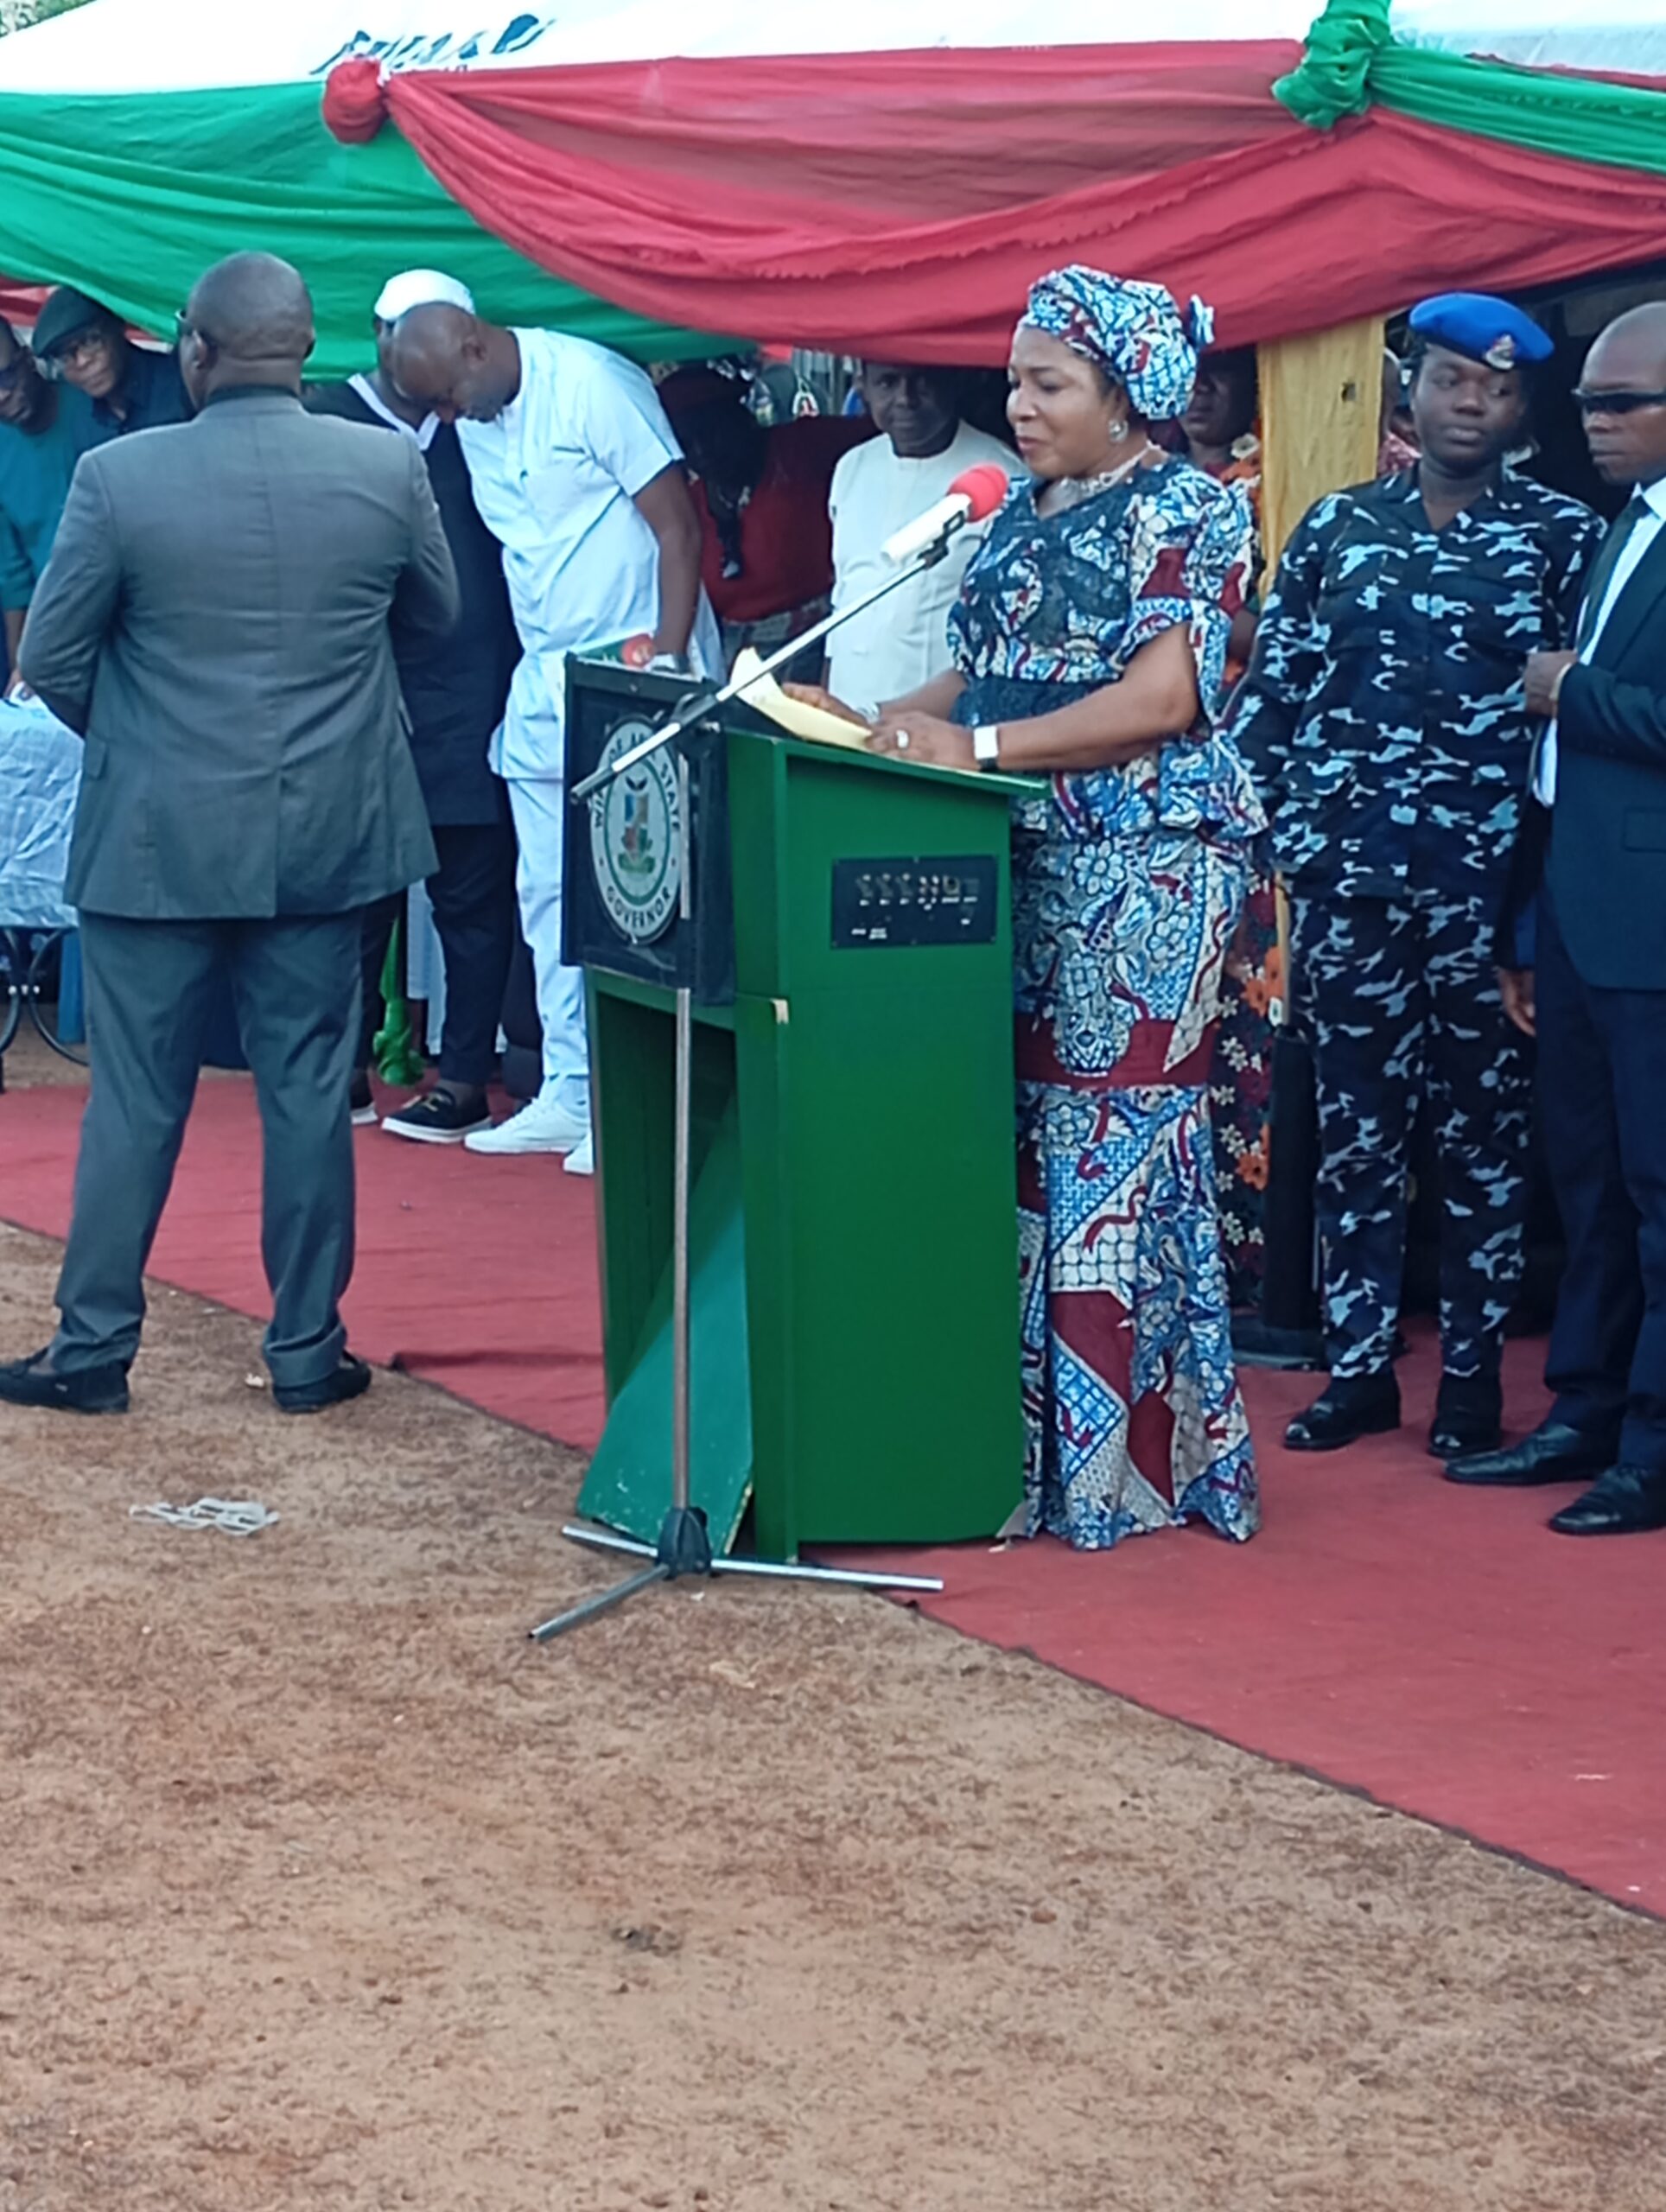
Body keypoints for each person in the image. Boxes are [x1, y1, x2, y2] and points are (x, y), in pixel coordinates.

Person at [0, 252, 458, 1419]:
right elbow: (434, 619)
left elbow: (51, 657)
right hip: (325, 834)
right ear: (305, 348)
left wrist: (141, 739)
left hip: (155, 838)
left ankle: (93, 1348)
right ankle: (306, 1352)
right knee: (308, 1093)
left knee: (135, 1099)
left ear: (194, 351)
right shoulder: (384, 467)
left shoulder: (119, 476)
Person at [864, 266, 1262, 1550]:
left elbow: (1161, 701)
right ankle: (1018, 1454)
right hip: (1015, 853)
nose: (1021, 407)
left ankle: (1126, 1472)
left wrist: (975, 752)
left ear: (1126, 395)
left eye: (1049, 385)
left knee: (1106, 1153)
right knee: (1025, 1145)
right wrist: (865, 723)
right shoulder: (1014, 508)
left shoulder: (1189, 510)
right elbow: (983, 674)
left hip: (1142, 867)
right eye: (1016, 383)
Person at [1225, 293, 1604, 1459]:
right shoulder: (1338, 529)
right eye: (1449, 381)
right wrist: (1257, 841)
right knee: (1356, 1131)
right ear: (1410, 390)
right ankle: (1358, 1373)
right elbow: (1273, 696)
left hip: (1490, 898)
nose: (1468, 404)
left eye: (1495, 388)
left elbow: (1577, 723)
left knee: (1484, 1138)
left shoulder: (1563, 538)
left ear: (1523, 410)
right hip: (1349, 886)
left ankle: (1473, 1380)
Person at [388, 298, 722, 1176]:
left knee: (644, 898)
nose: (449, 418)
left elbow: (678, 527)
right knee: (546, 894)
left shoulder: (591, 384)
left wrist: (669, 667)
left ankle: (640, 1100)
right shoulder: (472, 417)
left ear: (474, 345)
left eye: (449, 396)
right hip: (545, 677)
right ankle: (571, 1087)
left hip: (639, 664)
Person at [1448, 302, 1666, 1535]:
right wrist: (1523, 925)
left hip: (1652, 917)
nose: (1593, 424)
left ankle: (1652, 1448)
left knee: (1656, 1188)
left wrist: (1574, 688)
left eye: (1620, 403)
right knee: (1583, 1182)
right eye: (1585, 403)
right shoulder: (1621, 525)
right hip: (1578, 912)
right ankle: (1583, 1407)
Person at [307, 270, 522, 1146]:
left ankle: (463, 1080)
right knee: (357, 903)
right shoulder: (327, 420)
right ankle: (343, 1075)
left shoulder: (479, 424)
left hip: (470, 697)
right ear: (382, 337)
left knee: (472, 899)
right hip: (360, 700)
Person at [1176, 345, 1277, 1319]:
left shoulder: (1277, 481)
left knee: (1251, 1024)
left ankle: (1259, 1263)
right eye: (1189, 371)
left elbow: (1282, 632)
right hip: (1162, 787)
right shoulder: (1160, 481)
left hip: (1250, 787)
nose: (1200, 389)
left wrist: (1190, 622)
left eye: (1222, 370)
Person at [823, 363, 1013, 716]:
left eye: (923, 381)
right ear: (862, 386)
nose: (905, 399)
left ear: (954, 381)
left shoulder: (1000, 477)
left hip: (936, 723)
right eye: (887, 382)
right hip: (842, 711)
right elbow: (845, 594)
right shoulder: (852, 467)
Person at [658, 363, 868, 665]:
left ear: (739, 418)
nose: (701, 450)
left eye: (710, 431)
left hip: (814, 644)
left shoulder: (804, 447)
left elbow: (883, 433)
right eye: (686, 442)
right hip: (728, 655)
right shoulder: (686, 502)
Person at [0, 319, 97, 686]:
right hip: (54, 629)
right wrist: (19, 668)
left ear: (28, 361)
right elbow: (14, 578)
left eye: (5, 378)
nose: (1, 396)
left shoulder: (93, 408)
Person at [30, 284, 191, 441]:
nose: (82, 362)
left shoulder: (183, 383)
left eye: (90, 341)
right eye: (64, 355)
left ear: (117, 325)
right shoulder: (81, 419)